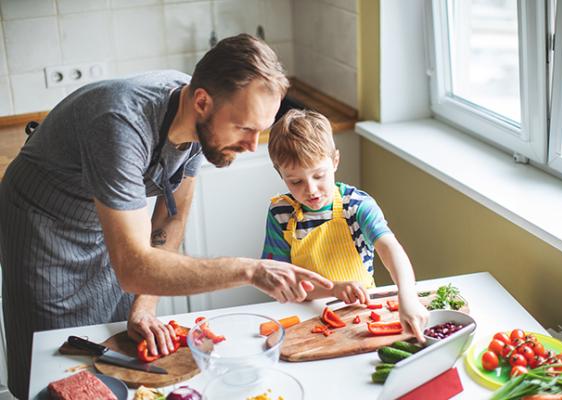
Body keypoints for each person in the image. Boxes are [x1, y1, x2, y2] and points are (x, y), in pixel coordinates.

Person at [0, 34, 332, 399]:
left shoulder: (200, 119)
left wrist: (145, 304)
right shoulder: (119, 125)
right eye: (244, 128)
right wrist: (250, 270)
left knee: (109, 356)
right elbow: (133, 267)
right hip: (44, 228)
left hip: (105, 225)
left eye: (261, 129)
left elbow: (169, 222)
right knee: (57, 367)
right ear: (202, 101)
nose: (253, 146)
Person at [261, 109, 429, 342]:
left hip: (362, 312)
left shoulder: (357, 206)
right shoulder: (280, 214)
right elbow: (280, 282)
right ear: (280, 174)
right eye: (296, 181)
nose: (310, 189)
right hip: (304, 317)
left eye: (319, 175)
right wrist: (333, 289)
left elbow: (390, 248)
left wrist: (407, 296)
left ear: (335, 161)